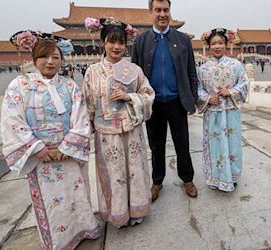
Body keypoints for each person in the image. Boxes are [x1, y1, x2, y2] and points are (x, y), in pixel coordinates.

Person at [0, 31, 100, 249]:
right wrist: (36, 148)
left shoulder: (70, 86)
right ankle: (58, 241)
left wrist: (68, 146)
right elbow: (11, 119)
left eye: (55, 57)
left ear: (62, 60)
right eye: (44, 57)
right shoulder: (19, 85)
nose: (50, 61)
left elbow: (81, 118)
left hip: (67, 153)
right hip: (40, 156)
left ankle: (82, 229)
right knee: (50, 201)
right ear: (34, 59)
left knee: (75, 194)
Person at [82, 17, 155, 227]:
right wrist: (84, 133)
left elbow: (149, 94)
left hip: (131, 130)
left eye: (121, 42)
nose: (116, 47)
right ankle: (117, 213)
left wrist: (130, 97)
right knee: (114, 174)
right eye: (111, 42)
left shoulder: (135, 71)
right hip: (106, 135)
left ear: (126, 44)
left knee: (134, 171)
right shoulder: (92, 72)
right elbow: (86, 103)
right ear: (103, 43)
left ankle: (138, 208)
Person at [131, 0, 199, 202]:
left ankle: (187, 179)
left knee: (182, 144)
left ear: (170, 12)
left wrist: (192, 99)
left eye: (166, 10)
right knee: (156, 145)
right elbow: (135, 74)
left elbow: (191, 71)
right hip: (153, 104)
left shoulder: (183, 40)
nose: (162, 14)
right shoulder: (141, 41)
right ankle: (157, 181)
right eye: (158, 10)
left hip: (177, 102)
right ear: (150, 12)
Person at [197, 28, 249, 192]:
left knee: (231, 144)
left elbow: (244, 84)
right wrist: (207, 98)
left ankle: (231, 176)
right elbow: (198, 89)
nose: (217, 46)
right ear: (208, 45)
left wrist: (231, 91)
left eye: (220, 42)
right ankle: (214, 176)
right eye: (213, 43)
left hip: (230, 111)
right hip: (212, 113)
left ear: (226, 44)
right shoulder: (203, 68)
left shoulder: (236, 65)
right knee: (213, 144)